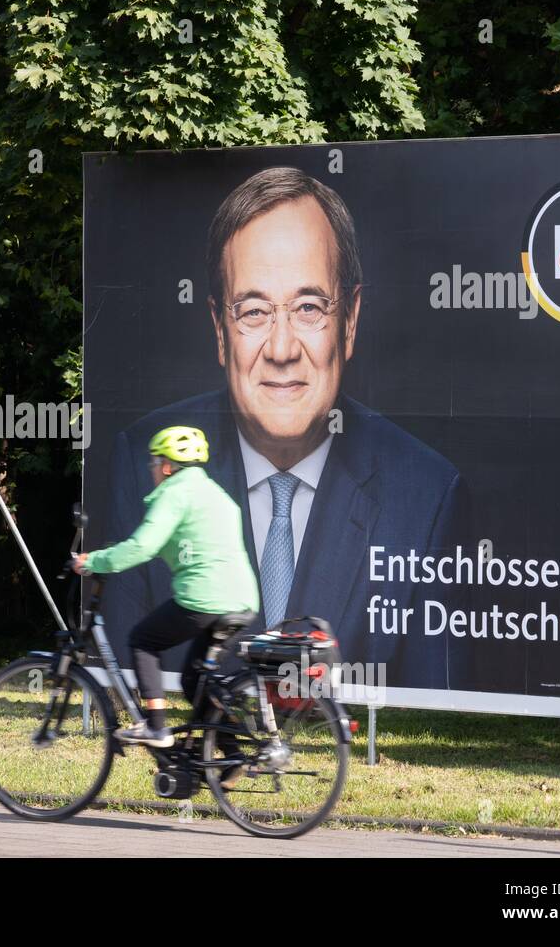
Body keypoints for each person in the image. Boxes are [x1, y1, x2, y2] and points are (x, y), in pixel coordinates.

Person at [103, 166, 469, 689]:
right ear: (220, 330)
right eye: (253, 311)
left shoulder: (427, 493)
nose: (280, 349)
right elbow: (122, 676)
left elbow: (437, 717)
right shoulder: (142, 460)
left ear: (350, 321)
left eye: (308, 307)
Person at [74, 426, 259, 749]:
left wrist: (95, 561)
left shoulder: (174, 493)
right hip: (241, 601)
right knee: (194, 681)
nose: (152, 469)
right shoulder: (215, 493)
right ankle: (233, 758)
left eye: (154, 462)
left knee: (143, 640)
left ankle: (156, 726)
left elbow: (142, 547)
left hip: (204, 599)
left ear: (168, 466)